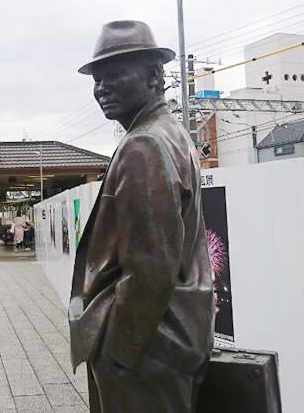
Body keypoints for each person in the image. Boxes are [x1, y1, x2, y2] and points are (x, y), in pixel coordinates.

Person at [70, 20, 215, 412]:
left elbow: (150, 269)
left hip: (147, 349)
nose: (101, 88)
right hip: (172, 337)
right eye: (97, 79)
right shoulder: (173, 132)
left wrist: (118, 353)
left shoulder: (143, 145)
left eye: (115, 74)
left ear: (153, 76)